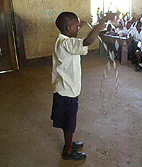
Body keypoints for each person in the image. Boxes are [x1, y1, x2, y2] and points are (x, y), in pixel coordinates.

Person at [51, 12, 114, 161]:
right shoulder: (66, 43)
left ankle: (69, 142)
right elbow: (86, 42)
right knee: (69, 123)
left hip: (68, 89)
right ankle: (68, 151)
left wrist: (82, 27)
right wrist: (102, 22)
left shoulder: (65, 41)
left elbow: (80, 43)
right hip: (67, 92)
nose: (78, 27)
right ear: (68, 27)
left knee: (68, 122)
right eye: (76, 26)